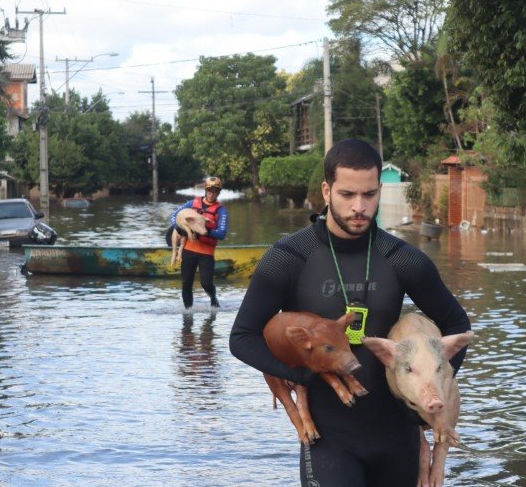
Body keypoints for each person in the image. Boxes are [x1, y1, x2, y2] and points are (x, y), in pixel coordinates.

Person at [229, 138, 471, 486]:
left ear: (378, 190)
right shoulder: (289, 257)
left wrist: (427, 388)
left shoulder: (402, 259)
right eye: (347, 195)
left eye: (369, 195)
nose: (359, 206)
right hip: (329, 438)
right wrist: (298, 375)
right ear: (327, 191)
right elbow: (242, 338)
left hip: (397, 432)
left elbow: (456, 325)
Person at [169, 176, 229, 311]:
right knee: (186, 283)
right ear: (205, 190)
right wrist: (180, 228)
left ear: (218, 192)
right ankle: (188, 313)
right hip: (189, 249)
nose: (212, 193)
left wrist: (203, 230)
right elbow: (174, 215)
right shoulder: (192, 203)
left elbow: (222, 233)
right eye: (209, 190)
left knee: (206, 283)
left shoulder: (221, 211)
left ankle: (213, 299)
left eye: (215, 191)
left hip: (206, 253)